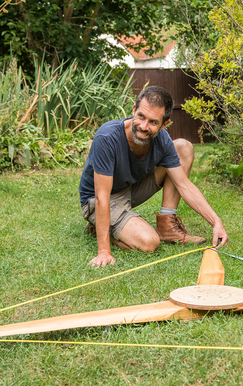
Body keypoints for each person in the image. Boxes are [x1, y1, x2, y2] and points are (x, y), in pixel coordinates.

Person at [79, 85, 228, 268]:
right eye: (141, 116)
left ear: (164, 124)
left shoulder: (162, 140)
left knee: (183, 147)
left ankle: (167, 226)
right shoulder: (107, 137)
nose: (143, 126)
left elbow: (184, 185)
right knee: (150, 242)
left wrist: (216, 221)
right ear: (134, 110)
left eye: (153, 122)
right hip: (97, 199)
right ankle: (100, 229)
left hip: (130, 189)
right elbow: (102, 196)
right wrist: (104, 252)